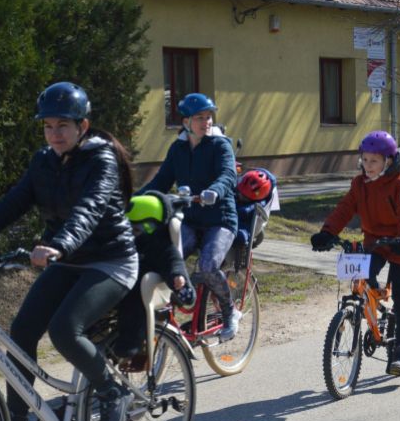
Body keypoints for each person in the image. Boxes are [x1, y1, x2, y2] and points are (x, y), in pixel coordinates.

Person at [0, 82, 138, 421]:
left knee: (64, 330)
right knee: (21, 332)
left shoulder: (101, 160)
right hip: (67, 260)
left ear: (83, 127)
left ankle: (112, 394)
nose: (54, 133)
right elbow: (9, 207)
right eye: (48, 126)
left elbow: (89, 210)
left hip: (110, 260)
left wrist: (58, 244)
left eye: (63, 125)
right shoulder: (43, 161)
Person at [310, 132, 400, 376]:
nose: (368, 166)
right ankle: (370, 309)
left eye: (374, 161)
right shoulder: (359, 184)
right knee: (363, 278)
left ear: (388, 162)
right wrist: (327, 233)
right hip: (375, 242)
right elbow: (344, 209)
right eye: (365, 160)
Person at [137, 93, 241, 340]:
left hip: (221, 219)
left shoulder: (220, 145)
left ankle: (229, 311)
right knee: (164, 258)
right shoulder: (178, 149)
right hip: (191, 220)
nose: (206, 122)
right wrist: (136, 200)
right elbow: (162, 180)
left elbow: (228, 174)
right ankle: (168, 310)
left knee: (207, 265)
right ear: (185, 122)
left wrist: (215, 191)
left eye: (208, 117)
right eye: (199, 118)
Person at [112, 192, 196, 360]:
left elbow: (173, 262)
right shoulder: (124, 240)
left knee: (132, 305)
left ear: (150, 226)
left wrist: (178, 278)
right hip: (116, 281)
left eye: (135, 228)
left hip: (141, 288)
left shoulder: (160, 246)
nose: (130, 232)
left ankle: (130, 342)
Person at [234, 168, 277, 247]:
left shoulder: (259, 203)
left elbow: (244, 212)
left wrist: (243, 211)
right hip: (228, 221)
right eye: (241, 194)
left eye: (245, 197)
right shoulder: (236, 195)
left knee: (241, 236)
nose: (241, 197)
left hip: (243, 227)